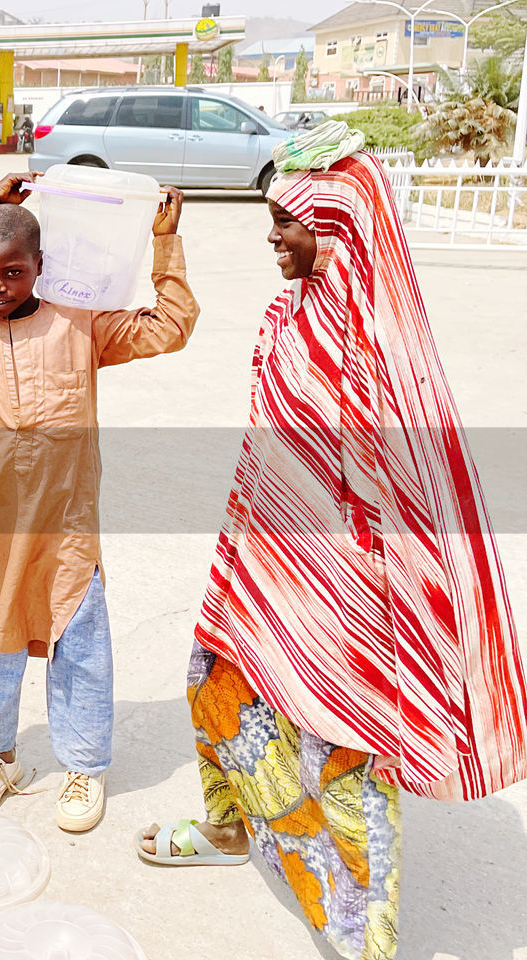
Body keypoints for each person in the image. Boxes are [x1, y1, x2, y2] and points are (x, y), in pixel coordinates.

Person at [138, 123, 527, 960]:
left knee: (340, 751)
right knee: (221, 688)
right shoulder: (293, 309)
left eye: (286, 220)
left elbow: (412, 496)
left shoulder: (379, 347)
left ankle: (364, 940)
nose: (270, 234)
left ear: (341, 227)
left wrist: (390, 620)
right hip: (263, 553)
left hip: (345, 587)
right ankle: (233, 827)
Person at [0, 173, 198, 834]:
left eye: (13, 272)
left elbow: (173, 325)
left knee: (79, 645)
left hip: (67, 527)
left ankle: (83, 768)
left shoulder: (82, 323)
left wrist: (165, 240)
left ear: (42, 267)